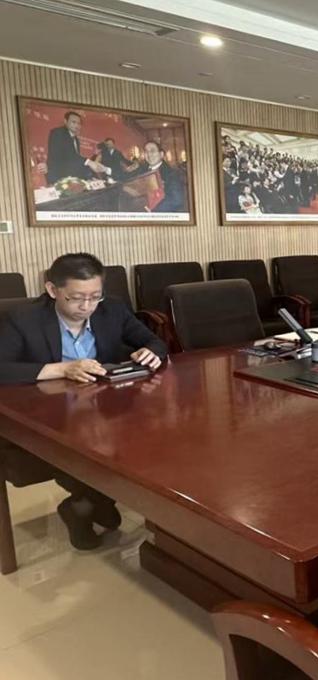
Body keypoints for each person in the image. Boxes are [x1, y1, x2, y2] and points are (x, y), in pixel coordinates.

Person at [0, 253, 167, 550]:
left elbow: (153, 340)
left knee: (142, 442)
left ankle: (88, 503)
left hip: (105, 410)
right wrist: (62, 369)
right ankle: (88, 503)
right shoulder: (24, 318)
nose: (87, 307)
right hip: (50, 417)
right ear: (52, 290)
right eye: (76, 298)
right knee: (90, 446)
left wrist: (152, 351)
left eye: (94, 297)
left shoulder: (112, 309)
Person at [41, 111, 109, 184]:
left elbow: (76, 160)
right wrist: (89, 162)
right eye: (73, 122)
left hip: (69, 177)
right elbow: (69, 155)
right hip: (57, 177)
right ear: (65, 121)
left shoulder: (75, 139)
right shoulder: (58, 133)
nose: (77, 125)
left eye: (79, 123)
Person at [129, 141, 187, 213]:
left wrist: (153, 210)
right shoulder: (141, 170)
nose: (149, 154)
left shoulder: (171, 173)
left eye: (152, 151)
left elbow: (176, 200)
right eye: (146, 151)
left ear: (161, 154)